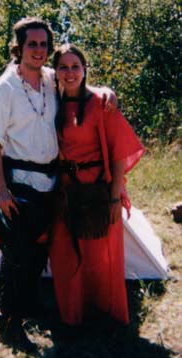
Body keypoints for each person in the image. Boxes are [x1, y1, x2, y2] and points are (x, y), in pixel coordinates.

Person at [0, 18, 116, 352]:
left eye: (43, 45)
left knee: (39, 249)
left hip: (51, 182)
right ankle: (7, 321)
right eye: (32, 44)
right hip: (19, 183)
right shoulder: (4, 89)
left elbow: (78, 83)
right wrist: (1, 190)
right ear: (18, 48)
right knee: (16, 252)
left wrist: (106, 93)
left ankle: (27, 307)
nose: (38, 50)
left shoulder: (51, 79)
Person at [49, 44, 145, 330]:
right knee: (65, 254)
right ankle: (73, 316)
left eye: (75, 66)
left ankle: (105, 314)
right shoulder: (49, 102)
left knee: (101, 257)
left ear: (84, 69)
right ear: (55, 72)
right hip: (65, 191)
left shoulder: (102, 103)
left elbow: (118, 153)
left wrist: (114, 198)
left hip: (98, 192)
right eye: (63, 67)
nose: (69, 72)